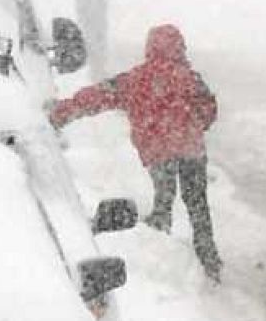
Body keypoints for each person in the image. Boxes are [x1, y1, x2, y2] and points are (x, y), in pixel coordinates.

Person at [50, 24, 222, 283]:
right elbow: (209, 110)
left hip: (158, 152)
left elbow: (98, 97)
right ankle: (208, 259)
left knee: (163, 197)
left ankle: (159, 246)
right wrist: (193, 126)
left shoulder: (135, 79)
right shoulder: (190, 78)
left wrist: (62, 112)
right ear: (179, 47)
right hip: (190, 149)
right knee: (197, 204)